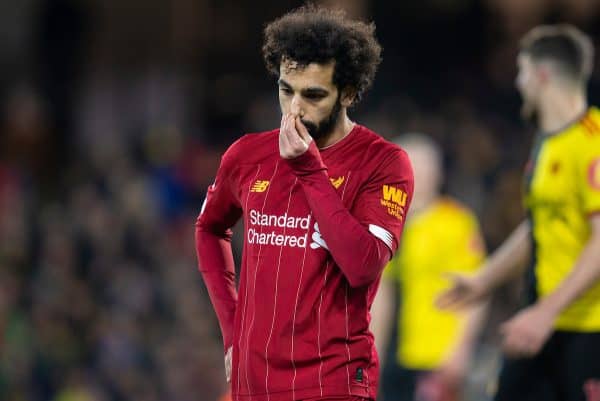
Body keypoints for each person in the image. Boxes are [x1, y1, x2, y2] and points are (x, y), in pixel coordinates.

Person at [195, 5, 414, 401]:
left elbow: (364, 266)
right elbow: (210, 228)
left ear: (348, 92)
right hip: (252, 385)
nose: (295, 108)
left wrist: (310, 171)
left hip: (333, 383)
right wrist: (232, 330)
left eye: (313, 95)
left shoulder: (383, 163)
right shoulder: (246, 155)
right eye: (285, 90)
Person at [437, 25, 600, 401]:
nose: (518, 83)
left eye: (522, 72)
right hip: (540, 321)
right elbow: (539, 226)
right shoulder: (548, 145)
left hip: (586, 329)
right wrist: (484, 280)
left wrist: (547, 312)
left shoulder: (592, 142)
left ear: (542, 75)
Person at [370, 134, 486, 401]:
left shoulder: (456, 222)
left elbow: (477, 292)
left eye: (421, 167)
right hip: (395, 356)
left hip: (436, 355)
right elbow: (382, 295)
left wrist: (460, 351)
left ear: (437, 174)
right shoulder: (386, 225)